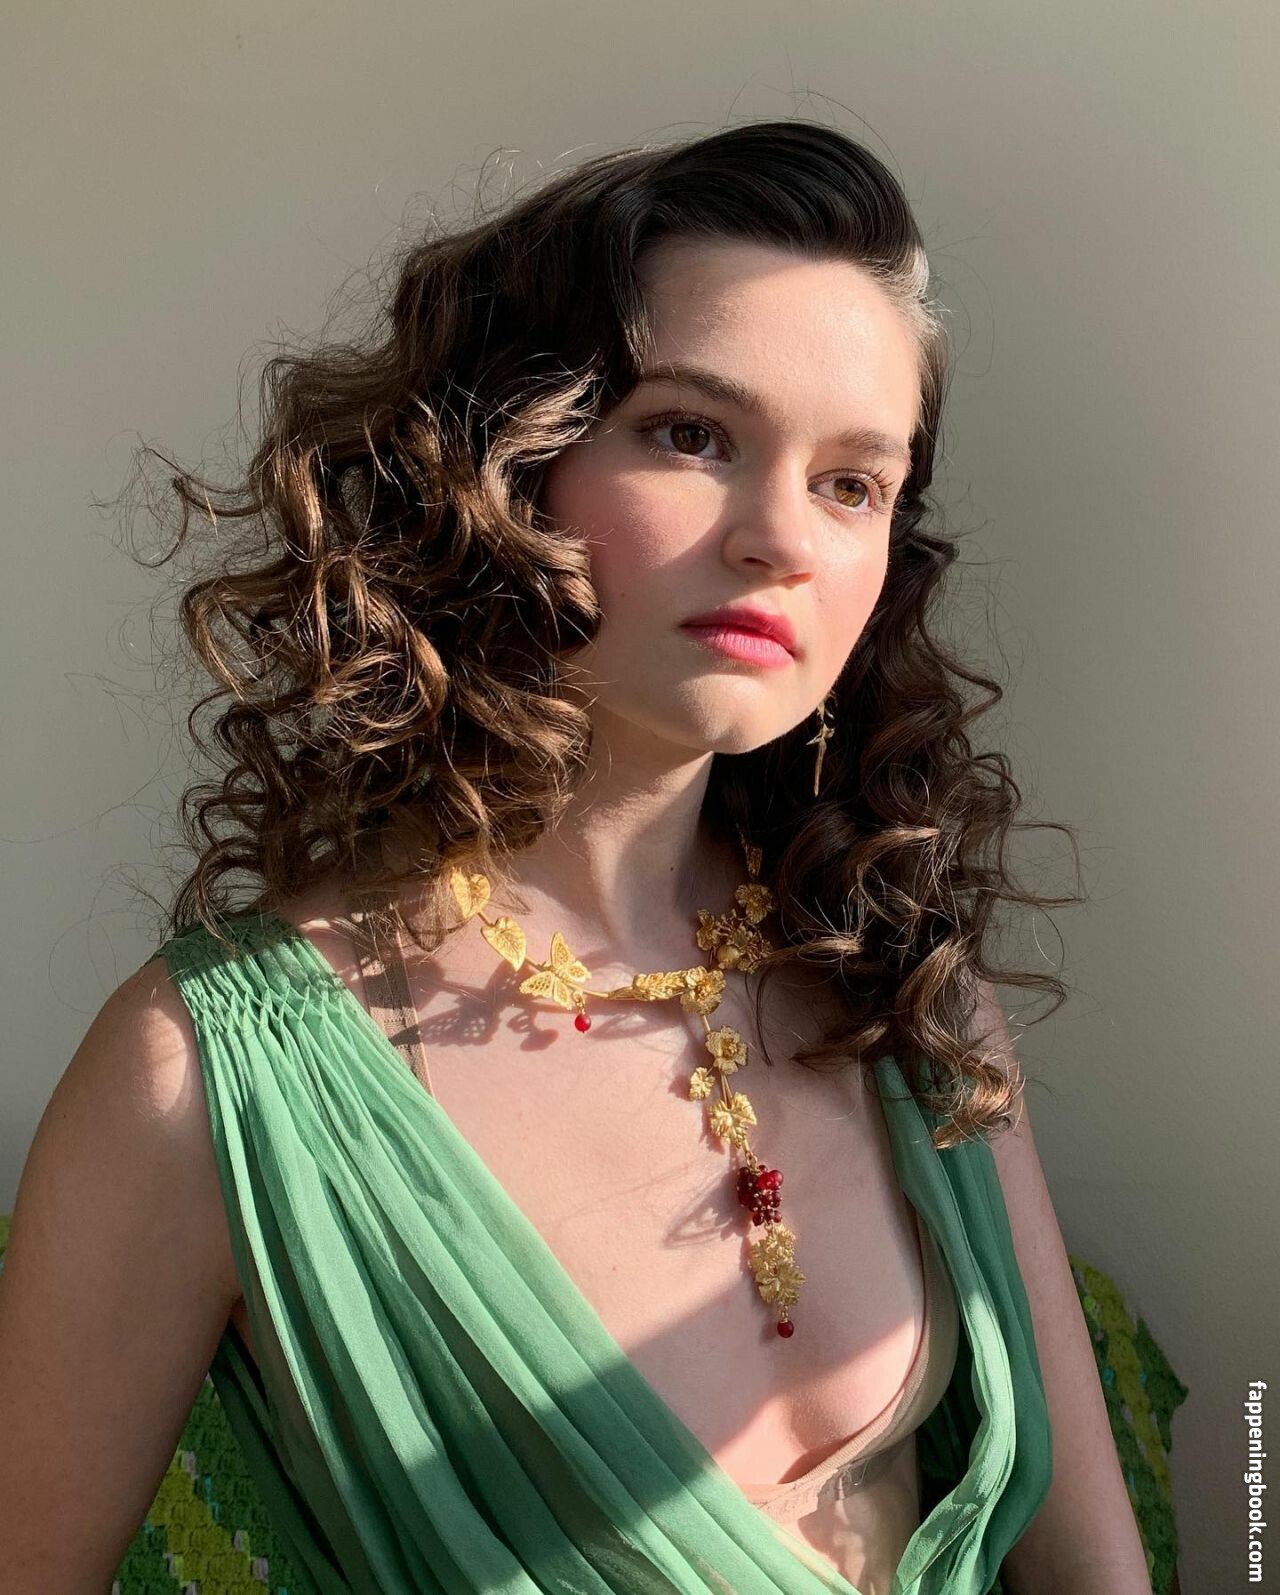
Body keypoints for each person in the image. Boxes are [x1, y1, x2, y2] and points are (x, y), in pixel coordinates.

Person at [0, 119, 1153, 1592]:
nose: (783, 539)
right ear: (501, 465)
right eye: (692, 435)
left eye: (853, 483)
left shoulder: (912, 1002)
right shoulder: (205, 1080)